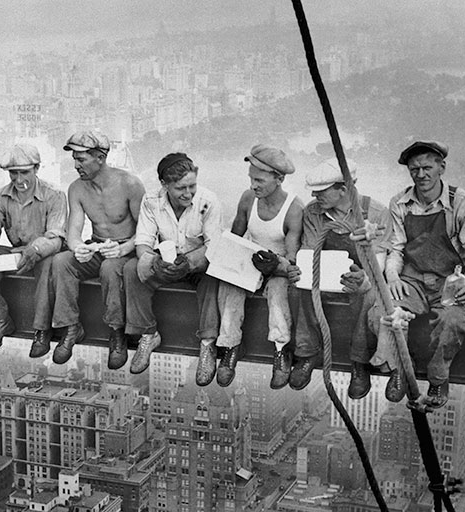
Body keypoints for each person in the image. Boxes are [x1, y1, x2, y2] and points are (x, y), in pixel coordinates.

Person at [369, 141, 465, 408]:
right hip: (413, 279)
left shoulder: (462, 203)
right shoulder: (400, 203)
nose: (421, 175)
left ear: (441, 168)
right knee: (383, 313)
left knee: (451, 323)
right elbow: (396, 249)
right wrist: (393, 278)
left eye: (426, 168)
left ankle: (437, 378)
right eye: (414, 170)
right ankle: (400, 367)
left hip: (452, 281)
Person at [288, 159, 389, 398]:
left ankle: (359, 362)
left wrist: (364, 277)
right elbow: (310, 250)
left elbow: (380, 258)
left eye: (321, 192)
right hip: (325, 273)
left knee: (367, 294)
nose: (314, 195)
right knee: (299, 287)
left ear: (343, 189)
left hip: (360, 275)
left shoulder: (376, 212)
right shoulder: (313, 212)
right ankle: (306, 352)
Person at [123, 153, 223, 381]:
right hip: (167, 261)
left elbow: (213, 247)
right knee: (131, 270)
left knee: (213, 277)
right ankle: (148, 334)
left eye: (192, 186)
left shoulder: (208, 201)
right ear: (164, 185)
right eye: (180, 188)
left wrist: (188, 263)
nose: (188, 193)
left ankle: (207, 344)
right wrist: (155, 262)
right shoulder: (151, 201)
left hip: (198, 263)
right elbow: (143, 243)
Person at [50, 131, 145, 365]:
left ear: (100, 158)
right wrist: (78, 247)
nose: (75, 165)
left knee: (110, 268)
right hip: (97, 245)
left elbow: (146, 231)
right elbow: (74, 231)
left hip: (126, 249)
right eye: (74, 159)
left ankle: (116, 333)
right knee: (61, 262)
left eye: (81, 159)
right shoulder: (77, 189)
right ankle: (71, 327)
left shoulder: (130, 184)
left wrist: (124, 249)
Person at [215, 144, 304, 387]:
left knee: (277, 293)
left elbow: (292, 257)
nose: (253, 185)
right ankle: (231, 345)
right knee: (230, 286)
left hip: (277, 267)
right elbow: (235, 238)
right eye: (251, 179)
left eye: (259, 180)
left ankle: (281, 349)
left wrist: (276, 265)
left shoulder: (294, 210)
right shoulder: (248, 198)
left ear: (279, 179)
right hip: (251, 260)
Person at [0, 143, 67, 357]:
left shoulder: (54, 195)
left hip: (45, 251)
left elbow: (56, 237)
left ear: (37, 169)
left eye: (25, 173)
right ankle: (1, 318)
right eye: (14, 174)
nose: (19, 180)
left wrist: (36, 249)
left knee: (48, 265)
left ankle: (41, 329)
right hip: (18, 252)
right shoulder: (2, 196)